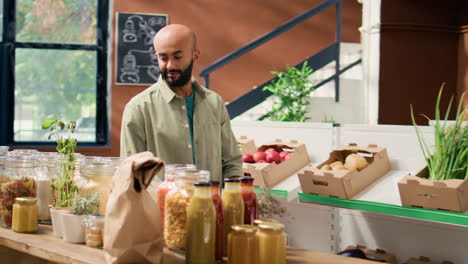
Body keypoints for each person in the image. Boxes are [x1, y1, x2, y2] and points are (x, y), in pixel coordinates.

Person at [120, 24, 242, 181]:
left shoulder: (214, 103)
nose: (170, 65)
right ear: (156, 57)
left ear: (195, 56)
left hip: (212, 204)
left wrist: (233, 197)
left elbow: (231, 162)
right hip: (160, 205)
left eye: (177, 57)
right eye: (163, 58)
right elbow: (131, 173)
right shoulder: (138, 108)